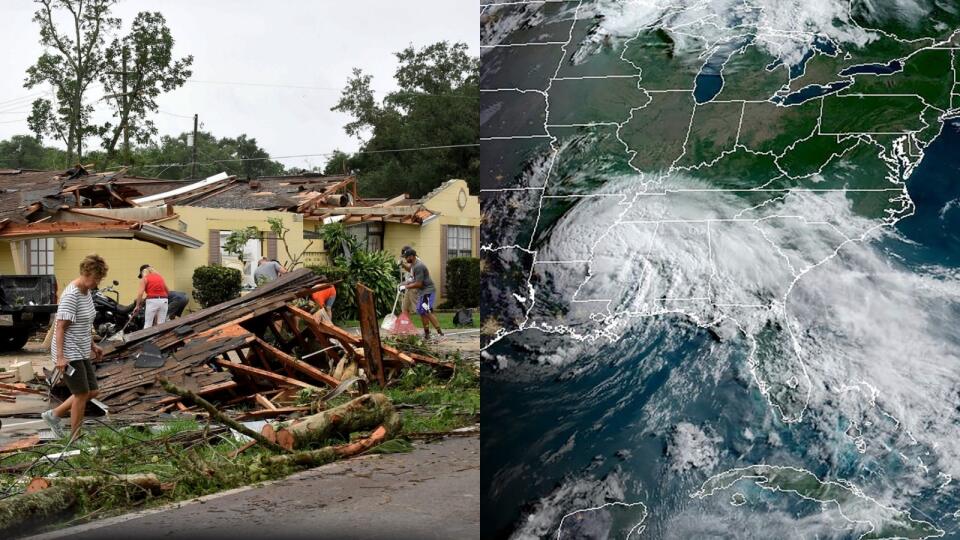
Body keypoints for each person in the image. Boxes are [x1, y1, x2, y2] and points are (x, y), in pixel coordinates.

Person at [41, 254, 108, 441]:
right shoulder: (71, 295)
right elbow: (60, 328)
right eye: (96, 278)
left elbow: (84, 323)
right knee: (80, 394)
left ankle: (53, 415)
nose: (97, 282)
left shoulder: (86, 293)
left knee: (92, 391)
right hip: (69, 353)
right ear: (86, 273)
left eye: (99, 279)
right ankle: (75, 439)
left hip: (80, 349)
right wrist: (61, 357)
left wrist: (93, 345)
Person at [400, 249, 444, 341]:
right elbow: (413, 279)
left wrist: (406, 287)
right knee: (422, 311)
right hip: (423, 292)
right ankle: (427, 334)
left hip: (428, 291)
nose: (406, 259)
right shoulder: (413, 265)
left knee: (426, 311)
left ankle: (440, 333)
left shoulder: (418, 266)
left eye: (406, 257)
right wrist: (404, 283)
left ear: (412, 256)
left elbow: (419, 284)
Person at [132, 264, 169, 328]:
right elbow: (167, 291)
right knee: (161, 324)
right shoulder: (160, 277)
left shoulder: (145, 278)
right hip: (164, 300)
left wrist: (137, 306)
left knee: (148, 324)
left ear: (142, 272)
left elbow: (140, 294)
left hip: (152, 301)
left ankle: (147, 338)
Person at [398, 246, 419, 315]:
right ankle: (406, 324)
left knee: (416, 309)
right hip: (409, 286)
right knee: (404, 308)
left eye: (405, 256)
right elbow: (409, 269)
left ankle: (426, 324)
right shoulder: (411, 262)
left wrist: (404, 284)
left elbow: (413, 276)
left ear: (411, 256)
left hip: (414, 287)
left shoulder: (417, 262)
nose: (405, 258)